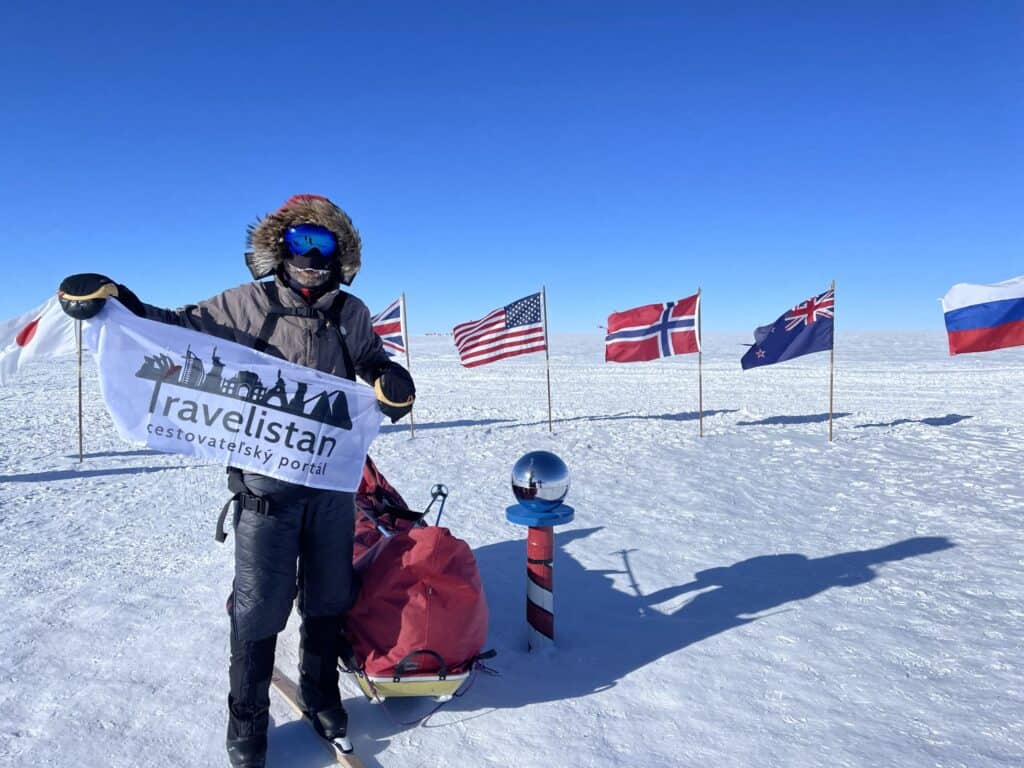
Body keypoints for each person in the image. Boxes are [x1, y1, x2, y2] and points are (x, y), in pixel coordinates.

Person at [58, 194, 415, 768]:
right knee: (259, 605)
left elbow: (371, 358)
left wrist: (388, 376)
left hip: (332, 483)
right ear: (280, 248)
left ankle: (322, 695)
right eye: (299, 242)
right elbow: (178, 329)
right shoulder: (247, 304)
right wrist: (120, 304)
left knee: (328, 597)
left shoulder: (351, 311)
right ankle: (246, 721)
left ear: (339, 252)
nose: (310, 255)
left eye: (322, 244)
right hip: (265, 485)